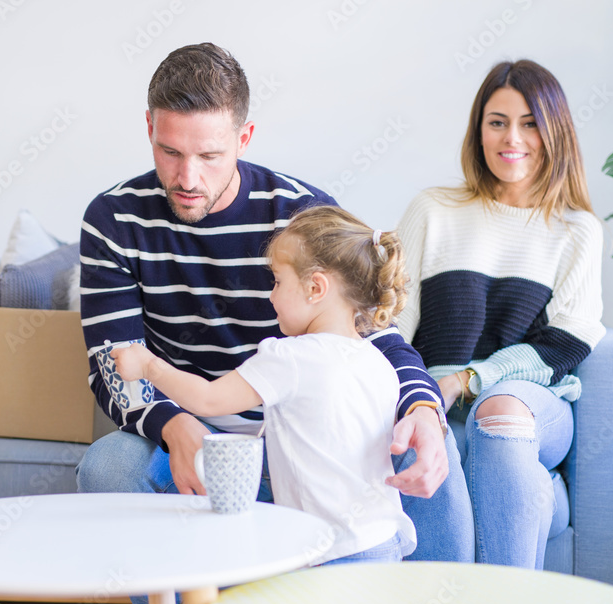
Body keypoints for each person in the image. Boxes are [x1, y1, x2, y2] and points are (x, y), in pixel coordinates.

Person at [76, 43, 474, 604]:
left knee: (430, 449)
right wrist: (172, 425)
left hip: (304, 442)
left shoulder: (301, 214)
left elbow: (378, 338)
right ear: (149, 128)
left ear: (245, 137)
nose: (187, 178)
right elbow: (112, 367)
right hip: (195, 435)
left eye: (210, 155)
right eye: (169, 151)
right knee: (108, 468)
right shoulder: (113, 221)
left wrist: (421, 405)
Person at [112, 206, 417, 565]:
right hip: (383, 538)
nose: (271, 296)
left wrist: (149, 365)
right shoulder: (377, 362)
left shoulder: (291, 357)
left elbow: (209, 400)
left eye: (277, 281)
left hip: (330, 550)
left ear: (315, 287)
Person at [395, 59, 605, 570]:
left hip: (532, 403)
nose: (512, 137)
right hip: (433, 398)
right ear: (479, 130)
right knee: (429, 432)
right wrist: (416, 393)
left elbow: (567, 342)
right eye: (497, 122)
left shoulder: (577, 229)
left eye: (530, 122)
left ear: (555, 131)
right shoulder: (433, 210)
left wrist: (470, 379)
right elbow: (390, 322)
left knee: (499, 408)